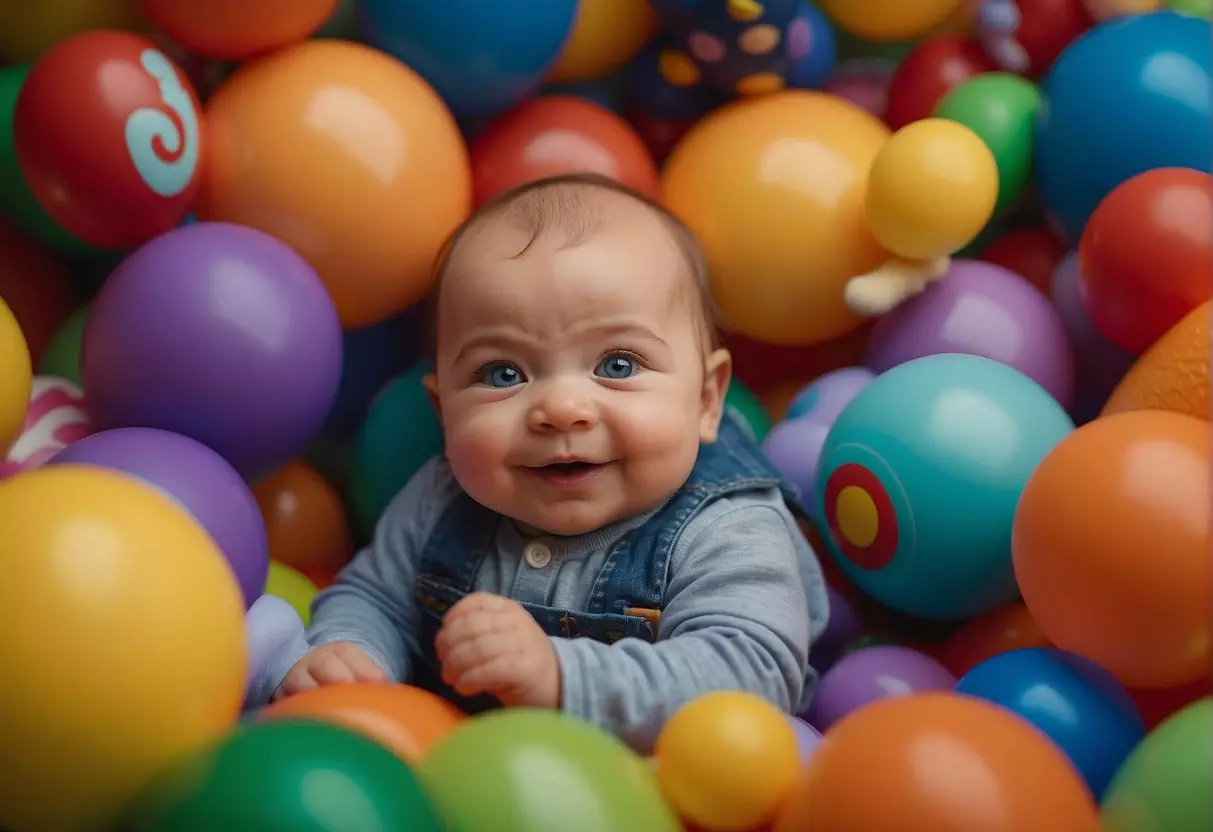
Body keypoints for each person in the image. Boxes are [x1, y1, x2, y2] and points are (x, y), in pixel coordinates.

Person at [251, 173, 829, 751]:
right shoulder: (442, 499)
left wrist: (561, 676)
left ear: (706, 399)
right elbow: (375, 596)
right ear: (444, 411)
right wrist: (351, 654)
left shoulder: (727, 524)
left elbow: (755, 671)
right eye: (504, 374)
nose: (561, 408)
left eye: (619, 365)